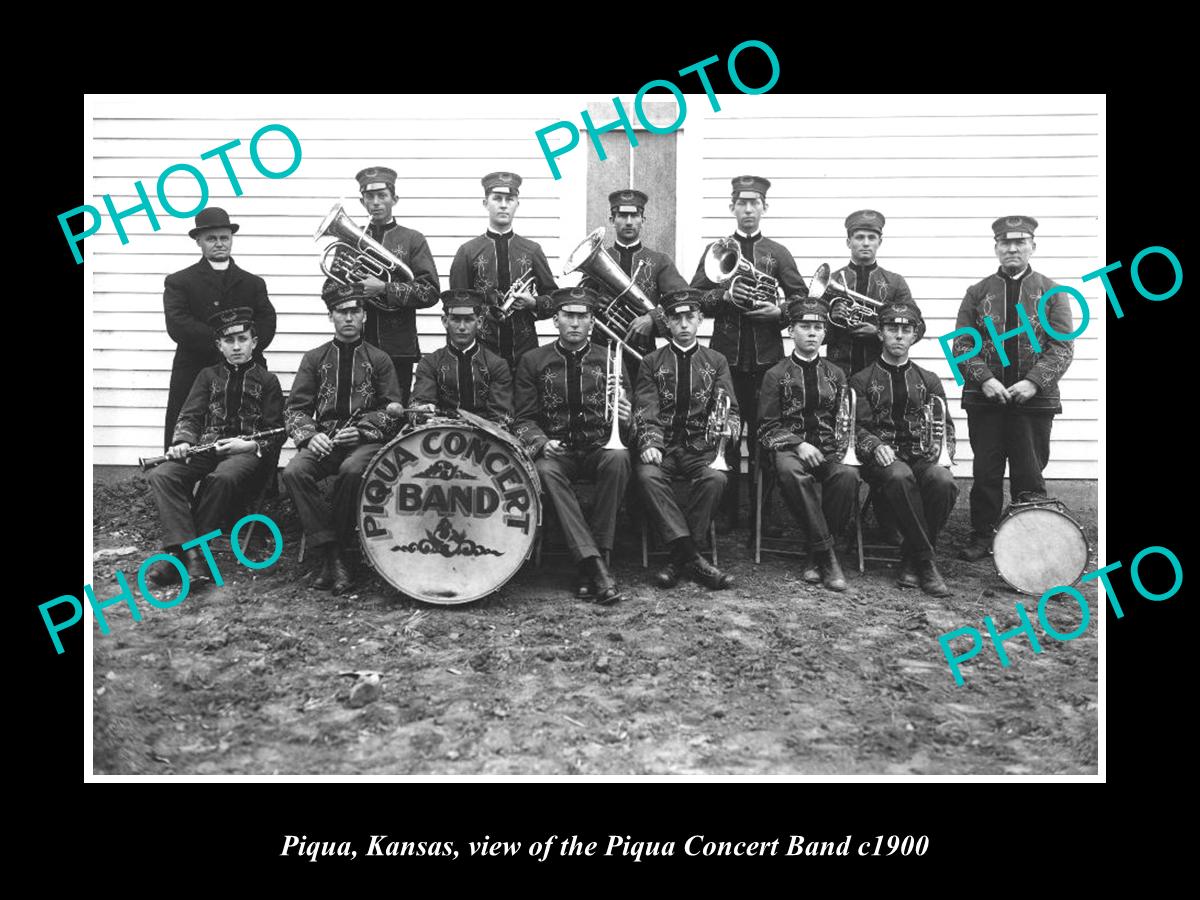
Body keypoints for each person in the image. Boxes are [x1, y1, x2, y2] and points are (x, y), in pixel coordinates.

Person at [951, 216, 1075, 561]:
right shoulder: (977, 293)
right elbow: (962, 344)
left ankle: (1030, 542)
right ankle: (982, 535)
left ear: (1032, 246)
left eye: (1020, 242)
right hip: (985, 400)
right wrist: (985, 379)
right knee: (986, 471)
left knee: (1030, 473)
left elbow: (1062, 346)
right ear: (996, 248)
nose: (1012, 249)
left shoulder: (1052, 293)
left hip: (1033, 403)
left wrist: (1033, 382)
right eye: (1005, 243)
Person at [690, 175, 807, 535]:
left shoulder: (778, 253)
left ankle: (763, 515)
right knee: (725, 433)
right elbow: (694, 298)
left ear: (764, 208)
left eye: (755, 203)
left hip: (768, 362)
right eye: (742, 203)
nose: (748, 210)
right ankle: (727, 514)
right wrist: (724, 297)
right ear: (732, 207)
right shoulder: (717, 250)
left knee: (765, 436)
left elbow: (803, 301)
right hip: (724, 360)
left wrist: (780, 313)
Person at [146, 307, 284, 585]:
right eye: (229, 341)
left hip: (245, 453)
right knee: (163, 475)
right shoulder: (207, 376)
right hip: (207, 449)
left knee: (221, 478)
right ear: (219, 345)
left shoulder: (268, 381)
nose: (236, 347)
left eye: (242, 339)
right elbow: (190, 415)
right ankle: (192, 553)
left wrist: (248, 446)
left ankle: (179, 557)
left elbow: (278, 431)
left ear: (254, 343)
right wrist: (183, 442)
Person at [513, 287, 633, 604]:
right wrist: (541, 442)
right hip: (558, 450)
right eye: (569, 316)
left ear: (593, 322)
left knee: (619, 459)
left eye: (583, 317)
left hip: (598, 447)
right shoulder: (533, 360)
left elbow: (630, 418)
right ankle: (597, 566)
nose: (576, 323)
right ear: (556, 320)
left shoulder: (609, 358)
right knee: (546, 471)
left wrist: (626, 414)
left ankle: (590, 564)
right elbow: (522, 419)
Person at [281, 286, 405, 595]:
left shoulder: (380, 359)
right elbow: (296, 409)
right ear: (331, 316)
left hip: (364, 443)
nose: (348, 317)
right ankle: (332, 552)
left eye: (354, 311)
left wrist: (363, 430)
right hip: (325, 440)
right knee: (295, 472)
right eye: (341, 312)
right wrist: (310, 436)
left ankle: (332, 554)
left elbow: (393, 410)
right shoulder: (314, 358)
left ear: (364, 316)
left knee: (352, 471)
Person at [850, 300, 957, 596]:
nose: (899, 335)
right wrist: (874, 445)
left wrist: (940, 446)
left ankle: (912, 558)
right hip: (883, 459)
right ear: (880, 334)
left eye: (905, 329)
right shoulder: (861, 380)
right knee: (899, 475)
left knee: (943, 481)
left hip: (920, 455)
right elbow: (854, 427)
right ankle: (925, 562)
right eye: (892, 329)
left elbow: (945, 424)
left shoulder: (929, 380)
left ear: (914, 336)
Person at [634, 290, 738, 590]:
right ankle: (693, 557)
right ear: (666, 322)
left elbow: (731, 406)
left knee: (715, 479)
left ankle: (677, 559)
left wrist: (728, 429)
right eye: (676, 318)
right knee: (646, 475)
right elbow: (645, 408)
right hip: (663, 446)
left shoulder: (716, 360)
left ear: (700, 320)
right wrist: (650, 442)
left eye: (689, 318)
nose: (683, 324)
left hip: (701, 446)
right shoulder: (651, 361)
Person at [758, 296, 859, 592]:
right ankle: (827, 555)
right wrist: (798, 444)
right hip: (789, 449)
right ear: (791, 331)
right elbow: (767, 426)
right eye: (804, 326)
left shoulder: (837, 374)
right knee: (792, 473)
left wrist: (838, 449)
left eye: (818, 327)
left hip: (830, 448)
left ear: (825, 333)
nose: (812, 333)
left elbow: (844, 418)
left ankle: (814, 552)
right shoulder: (775, 374)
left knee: (848, 475)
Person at [320, 166, 440, 406]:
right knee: (357, 408)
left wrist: (384, 289)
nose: (375, 202)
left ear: (394, 199)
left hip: (398, 347)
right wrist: (351, 288)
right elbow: (329, 292)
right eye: (369, 196)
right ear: (361, 200)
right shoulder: (347, 241)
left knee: (394, 409)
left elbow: (430, 291)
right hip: (354, 344)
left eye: (382, 195)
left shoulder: (412, 239)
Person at [163, 207, 276, 451]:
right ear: (198, 242)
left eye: (224, 237)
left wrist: (245, 348)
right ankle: (177, 484)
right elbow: (177, 324)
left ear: (232, 239)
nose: (219, 244)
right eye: (211, 238)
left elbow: (267, 322)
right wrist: (222, 344)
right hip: (195, 366)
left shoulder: (253, 283)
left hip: (246, 367)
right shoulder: (179, 281)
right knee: (185, 432)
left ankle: (260, 488)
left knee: (252, 429)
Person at [450, 172, 558, 371]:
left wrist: (533, 303)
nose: (503, 204)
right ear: (485, 203)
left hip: (524, 352)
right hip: (481, 351)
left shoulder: (532, 250)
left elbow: (554, 300)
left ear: (517, 204)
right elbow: (455, 305)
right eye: (497, 198)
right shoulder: (467, 251)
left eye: (510, 199)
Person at [580, 188, 689, 368]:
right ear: (612, 220)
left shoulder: (659, 261)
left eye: (635, 216)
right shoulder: (594, 258)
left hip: (644, 350)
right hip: (602, 348)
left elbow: (684, 297)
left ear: (643, 220)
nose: (629, 222)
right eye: (622, 216)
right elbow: (580, 298)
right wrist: (593, 301)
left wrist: (653, 318)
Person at [824, 209, 914, 378]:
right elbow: (812, 332)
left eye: (871, 238)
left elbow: (918, 326)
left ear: (879, 242)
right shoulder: (831, 280)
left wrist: (879, 333)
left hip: (882, 372)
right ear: (848, 242)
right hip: (838, 370)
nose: (866, 243)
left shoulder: (895, 282)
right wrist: (833, 319)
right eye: (859, 237)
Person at [410, 290, 513, 427]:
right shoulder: (430, 363)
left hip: (485, 437)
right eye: (456, 319)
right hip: (440, 434)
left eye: (469, 320)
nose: (462, 327)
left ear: (480, 322)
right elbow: (419, 406)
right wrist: (422, 411)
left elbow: (502, 416)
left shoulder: (496, 365)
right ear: (445, 321)